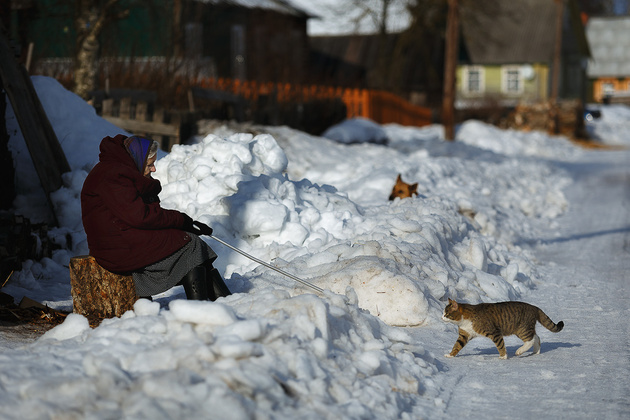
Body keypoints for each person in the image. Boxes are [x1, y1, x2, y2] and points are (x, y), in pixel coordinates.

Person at [80, 134, 231, 301]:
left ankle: (224, 300)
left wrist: (186, 223)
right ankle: (198, 307)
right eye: (150, 164)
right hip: (115, 246)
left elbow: (140, 214)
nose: (154, 169)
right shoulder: (114, 175)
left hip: (123, 236)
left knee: (191, 243)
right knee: (190, 244)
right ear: (137, 159)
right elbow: (140, 216)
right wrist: (181, 221)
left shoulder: (119, 170)